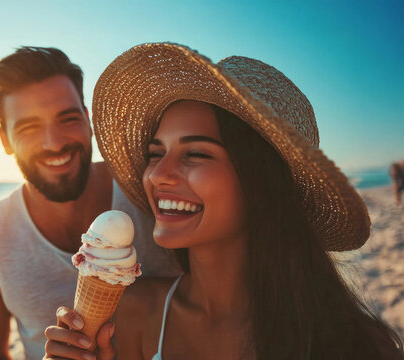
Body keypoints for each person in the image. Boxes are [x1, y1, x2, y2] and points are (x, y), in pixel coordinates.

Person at [44, 43, 404, 359]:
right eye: (156, 153)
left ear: (258, 181)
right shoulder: (131, 316)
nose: (157, 174)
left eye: (196, 153)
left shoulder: (357, 345)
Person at [0, 46, 181, 360]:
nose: (54, 142)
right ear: (4, 139)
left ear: (88, 121)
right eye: (28, 127)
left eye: (68, 118)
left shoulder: (149, 194)